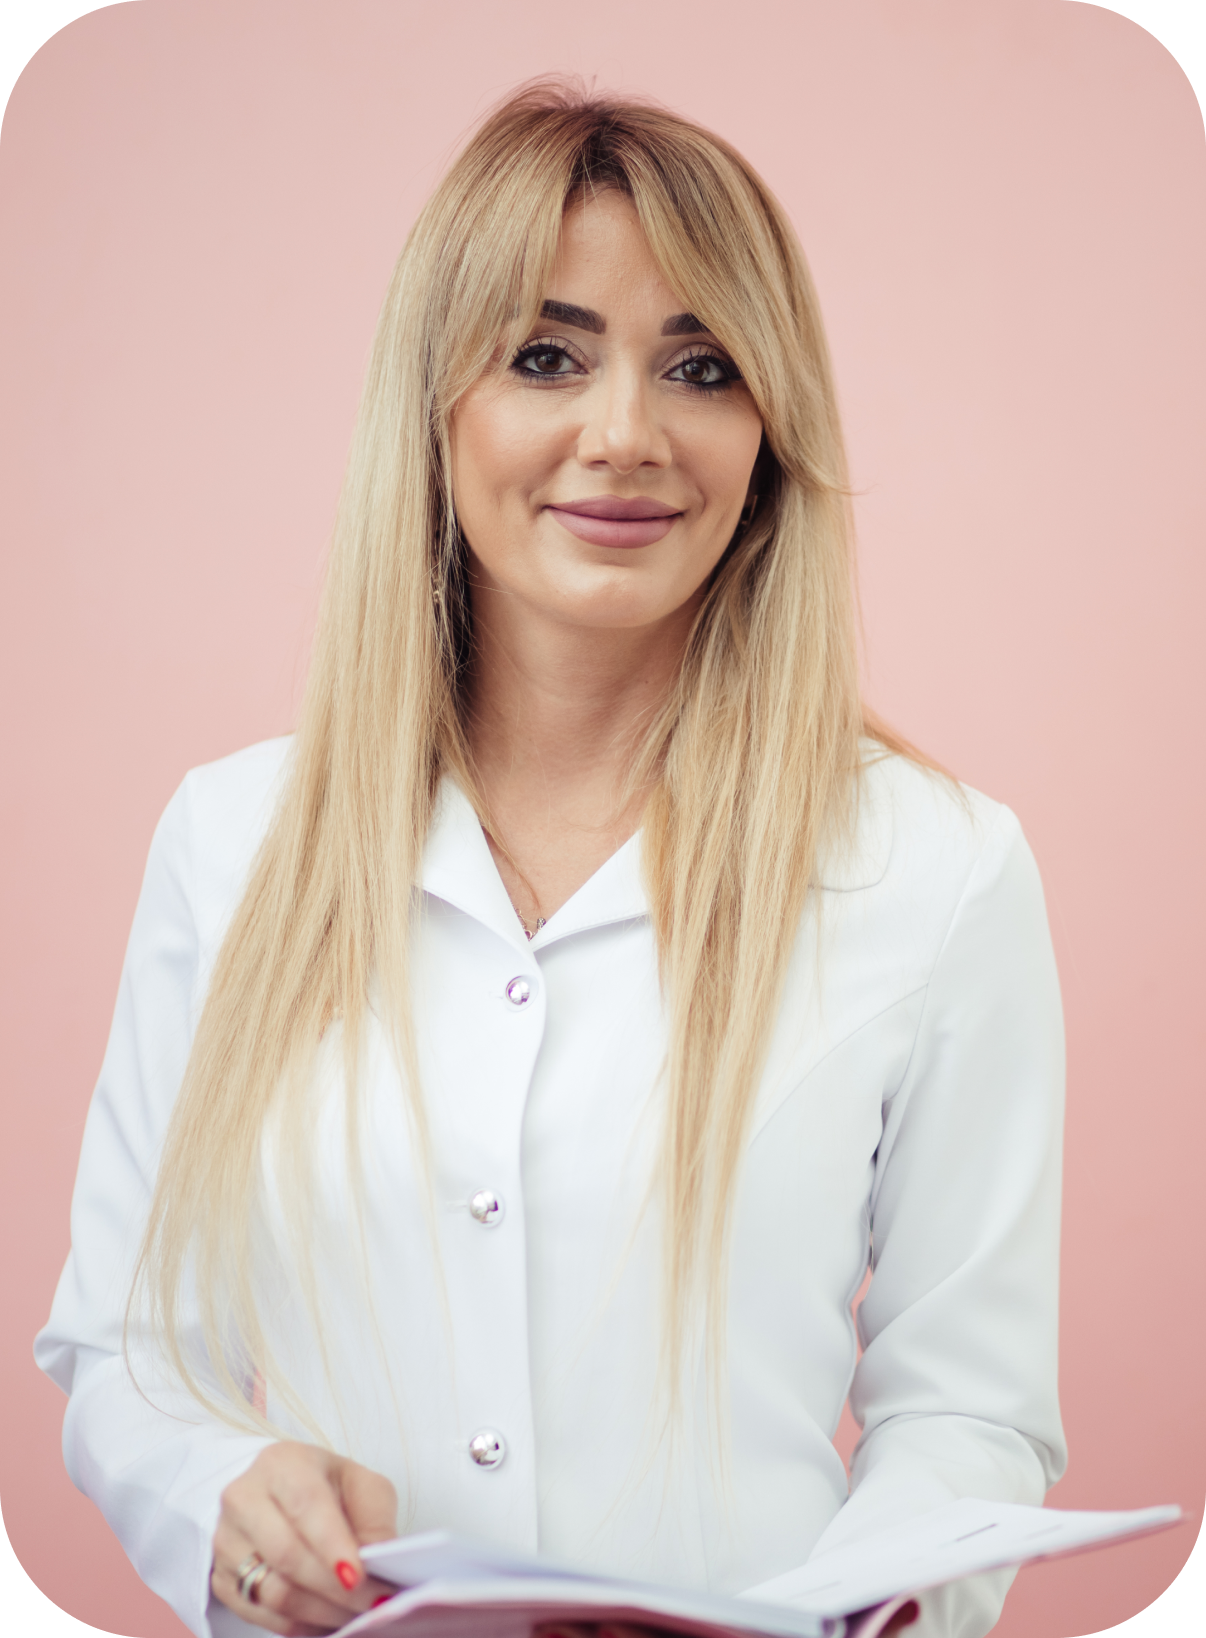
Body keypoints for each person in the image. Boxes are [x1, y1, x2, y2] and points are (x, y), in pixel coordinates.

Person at [35, 81, 1066, 1638]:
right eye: (545, 355)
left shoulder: (936, 870)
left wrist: (859, 1613)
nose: (625, 434)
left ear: (768, 429)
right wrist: (225, 1499)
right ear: (436, 405)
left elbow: (968, 1411)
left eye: (701, 366)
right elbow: (131, 1350)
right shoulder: (231, 842)